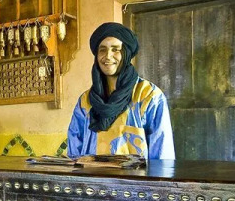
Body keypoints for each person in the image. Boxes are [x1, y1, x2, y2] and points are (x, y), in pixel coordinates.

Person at [67, 22, 175, 160]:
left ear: (126, 54)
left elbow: (162, 156)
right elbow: (74, 155)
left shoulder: (149, 96)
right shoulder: (86, 101)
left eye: (115, 49)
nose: (108, 56)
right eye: (102, 50)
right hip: (91, 175)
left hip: (136, 175)